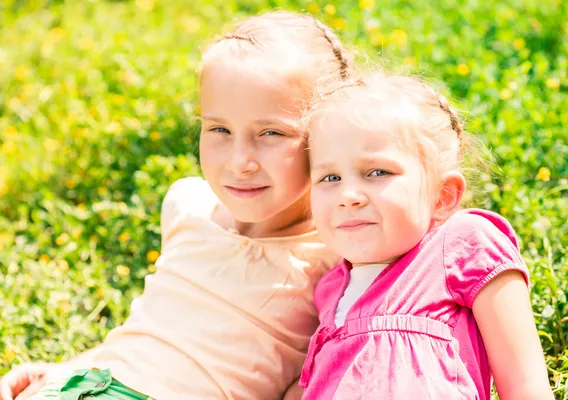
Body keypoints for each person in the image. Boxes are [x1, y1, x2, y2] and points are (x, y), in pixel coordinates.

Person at [0, 11, 351, 400]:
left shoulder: (334, 259)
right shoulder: (188, 204)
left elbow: (308, 386)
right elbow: (160, 330)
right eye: (219, 129)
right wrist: (66, 371)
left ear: (327, 134)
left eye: (271, 133)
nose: (239, 161)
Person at [299, 74, 554, 399]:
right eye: (329, 177)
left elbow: (525, 384)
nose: (348, 195)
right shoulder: (328, 290)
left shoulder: (461, 244)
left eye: (377, 172)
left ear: (442, 195)